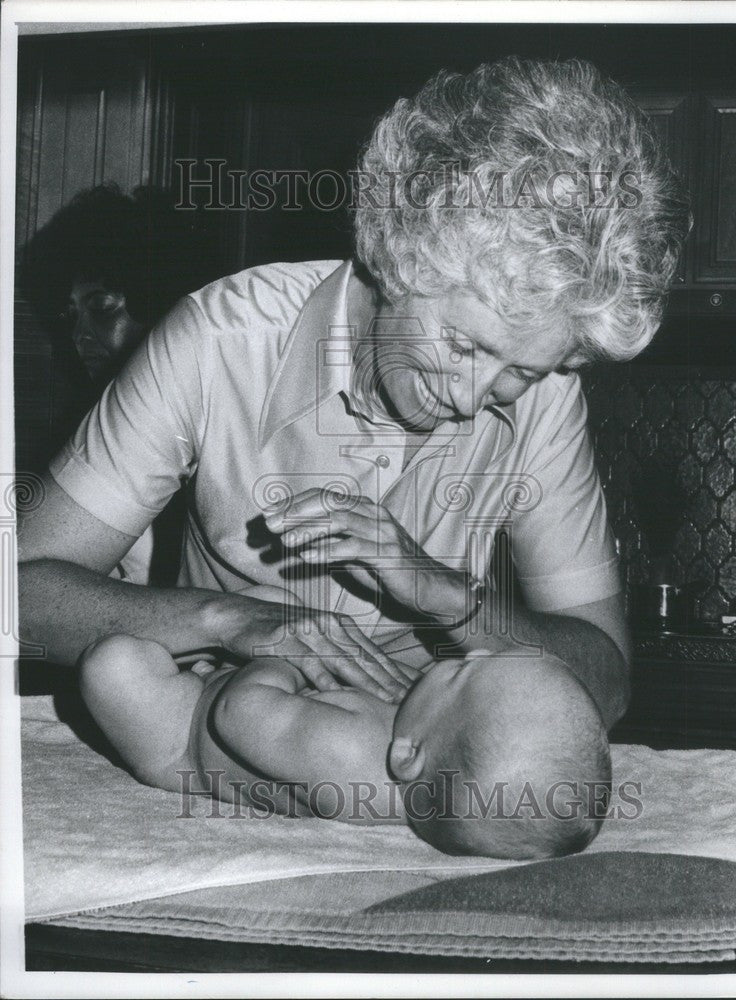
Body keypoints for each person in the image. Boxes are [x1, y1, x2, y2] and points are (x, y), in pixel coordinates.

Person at [19, 58, 691, 724]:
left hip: (417, 756)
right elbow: (16, 598)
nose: (471, 397)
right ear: (392, 251)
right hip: (231, 731)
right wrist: (229, 620)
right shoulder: (219, 341)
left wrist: (451, 599)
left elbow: (605, 684)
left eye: (523, 370)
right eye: (463, 345)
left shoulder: (543, 393)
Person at [77, 626, 611, 860]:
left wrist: (277, 655)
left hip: (181, 735)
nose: (468, 655)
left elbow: (239, 714)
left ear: (408, 755)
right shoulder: (415, 748)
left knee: (113, 662)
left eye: (460, 677)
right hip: (220, 688)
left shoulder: (349, 755)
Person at [22, 183, 213, 584]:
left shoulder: (214, 421)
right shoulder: (87, 434)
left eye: (102, 307)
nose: (80, 336)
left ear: (158, 297)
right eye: (71, 315)